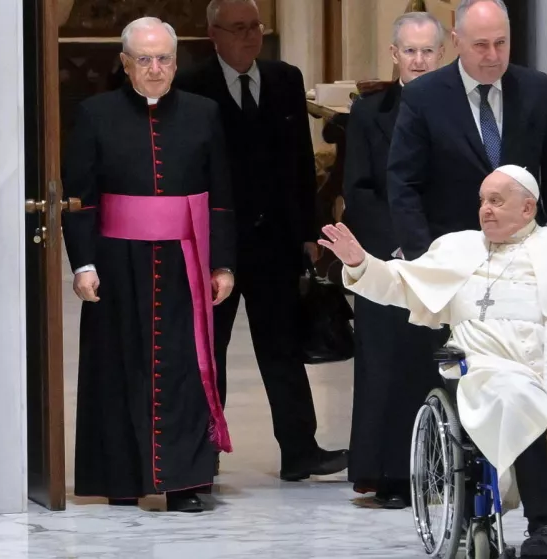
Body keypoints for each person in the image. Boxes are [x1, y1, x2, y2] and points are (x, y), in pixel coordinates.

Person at [319, 166, 547, 558]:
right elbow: (401, 284)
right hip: (491, 373)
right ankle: (543, 526)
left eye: (496, 201)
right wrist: (360, 262)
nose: (485, 210)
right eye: (482, 201)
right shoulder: (457, 249)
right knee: (519, 397)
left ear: (528, 207)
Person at [62, 17, 235, 513]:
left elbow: (221, 196)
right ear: (125, 63)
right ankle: (122, 479)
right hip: (118, 264)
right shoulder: (96, 114)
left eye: (163, 59)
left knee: (184, 368)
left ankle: (183, 483)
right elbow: (81, 197)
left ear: (176, 63)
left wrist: (222, 263)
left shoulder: (203, 114)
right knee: (118, 369)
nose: (155, 69)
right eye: (144, 59)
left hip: (185, 260)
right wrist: (83, 265)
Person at [175, 0, 348, 481]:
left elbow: (299, 162)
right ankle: (202, 456)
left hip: (275, 240)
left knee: (283, 348)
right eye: (238, 29)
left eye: (255, 27)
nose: (250, 37)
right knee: (210, 351)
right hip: (216, 246)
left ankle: (300, 451)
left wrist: (310, 233)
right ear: (213, 34)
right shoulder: (192, 86)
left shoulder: (284, 79)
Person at [342, 11, 446, 508]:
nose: (420, 60)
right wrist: (397, 248)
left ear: (442, 54)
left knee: (434, 365)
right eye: (410, 51)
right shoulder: (369, 113)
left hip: (443, 258)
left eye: (428, 51)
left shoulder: (459, 108)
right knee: (383, 365)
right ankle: (386, 473)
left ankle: (442, 470)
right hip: (386, 258)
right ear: (394, 54)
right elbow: (358, 190)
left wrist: (433, 246)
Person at [386, 0, 547, 261]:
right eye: (481, 45)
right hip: (450, 256)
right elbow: (404, 186)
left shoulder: (536, 90)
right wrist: (424, 261)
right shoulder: (423, 97)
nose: (493, 55)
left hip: (527, 256)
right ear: (456, 41)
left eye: (501, 43)